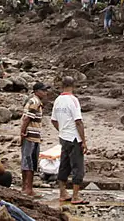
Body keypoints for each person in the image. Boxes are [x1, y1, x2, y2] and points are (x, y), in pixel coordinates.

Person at [51, 76, 89, 205]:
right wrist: (83, 141)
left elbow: (53, 120)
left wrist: (61, 130)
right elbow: (78, 121)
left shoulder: (57, 100)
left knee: (64, 164)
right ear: (73, 86)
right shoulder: (73, 100)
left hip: (64, 137)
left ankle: (62, 192)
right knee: (77, 166)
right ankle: (75, 195)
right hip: (74, 137)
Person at [20, 82, 49, 196]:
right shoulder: (35, 102)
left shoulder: (34, 101)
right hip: (31, 136)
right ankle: (28, 189)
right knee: (30, 162)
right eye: (43, 90)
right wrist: (22, 133)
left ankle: (25, 187)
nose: (45, 92)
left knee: (27, 161)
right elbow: (27, 119)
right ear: (36, 91)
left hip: (32, 135)